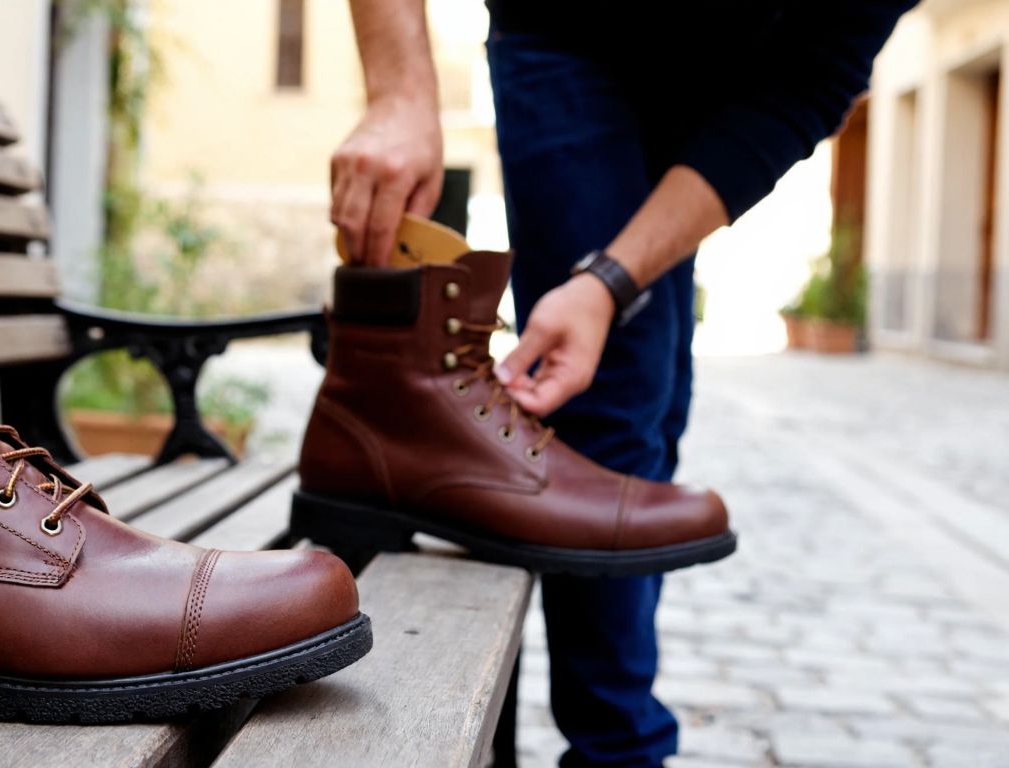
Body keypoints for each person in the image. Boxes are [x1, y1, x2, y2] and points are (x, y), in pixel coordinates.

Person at [329, 2, 917, 764]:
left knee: (658, 397)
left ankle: (616, 730)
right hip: (569, 29)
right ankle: (619, 744)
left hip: (730, 79)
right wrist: (400, 92)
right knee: (611, 399)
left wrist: (608, 280)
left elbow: (806, 88)